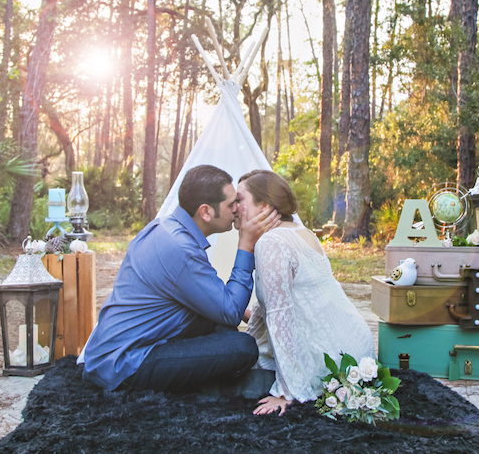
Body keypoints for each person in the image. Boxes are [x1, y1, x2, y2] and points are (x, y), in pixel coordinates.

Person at [78, 164, 280, 392]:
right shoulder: (181, 249)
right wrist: (246, 244)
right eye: (231, 203)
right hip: (123, 364)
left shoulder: (165, 227)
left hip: (117, 349)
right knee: (243, 347)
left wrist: (246, 314)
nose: (236, 209)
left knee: (222, 328)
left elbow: (202, 296)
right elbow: (230, 312)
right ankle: (213, 392)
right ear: (206, 212)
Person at [237, 170, 376, 416]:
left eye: (240, 200)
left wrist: (286, 392)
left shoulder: (271, 243)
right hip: (357, 347)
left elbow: (281, 317)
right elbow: (269, 303)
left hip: (333, 361)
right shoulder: (301, 232)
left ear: (265, 207)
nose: (234, 207)